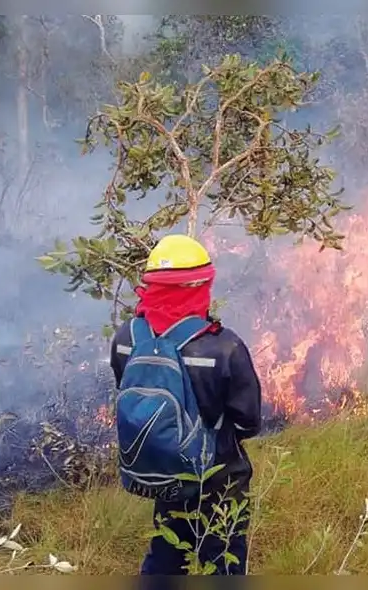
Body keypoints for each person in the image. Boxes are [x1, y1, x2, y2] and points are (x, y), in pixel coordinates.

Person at [109, 234, 263, 575]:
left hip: (164, 467)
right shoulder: (224, 347)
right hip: (219, 476)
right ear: (200, 285)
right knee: (224, 558)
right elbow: (249, 422)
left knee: (166, 553)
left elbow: (128, 394)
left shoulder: (126, 339)